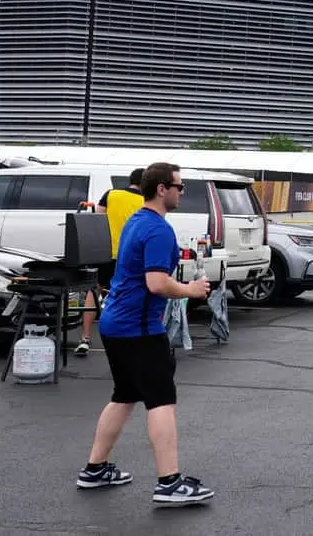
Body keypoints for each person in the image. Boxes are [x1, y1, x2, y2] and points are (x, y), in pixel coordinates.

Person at [76, 162, 215, 505]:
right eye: (179, 187)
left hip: (116, 323)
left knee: (124, 396)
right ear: (162, 189)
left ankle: (95, 470)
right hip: (137, 328)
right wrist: (191, 290)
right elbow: (156, 283)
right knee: (162, 400)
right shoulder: (157, 229)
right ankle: (169, 482)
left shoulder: (137, 221)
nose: (182, 192)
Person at [75, 167, 145, 357]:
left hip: (105, 253)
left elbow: (98, 220)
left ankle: (85, 338)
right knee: (127, 294)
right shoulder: (146, 202)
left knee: (94, 291)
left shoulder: (111, 194)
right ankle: (126, 339)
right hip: (130, 256)